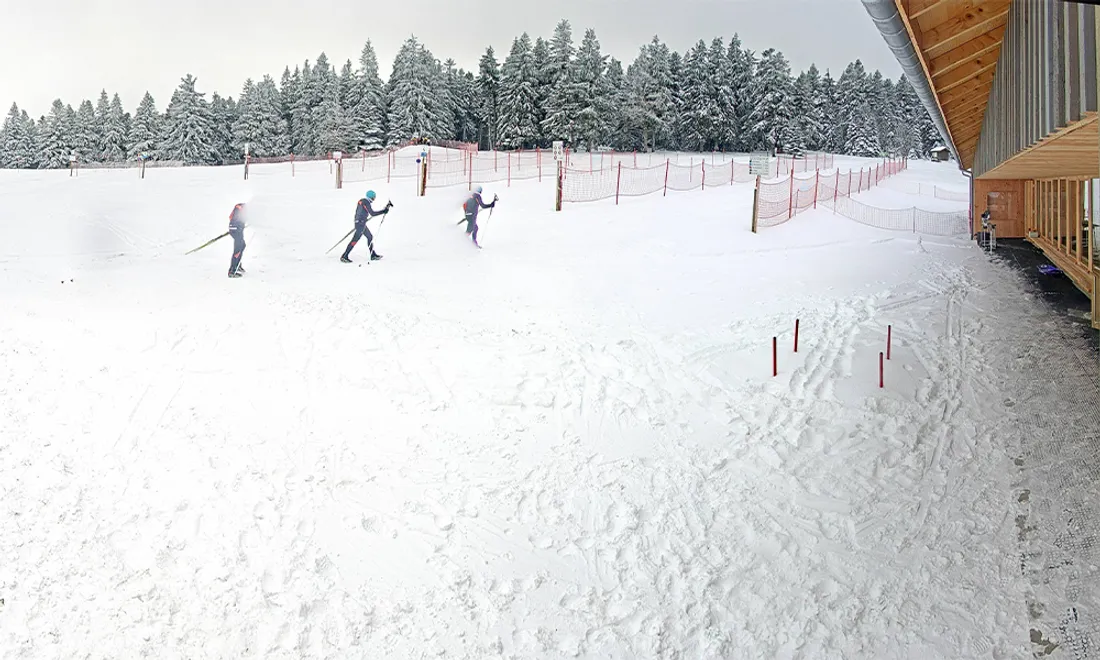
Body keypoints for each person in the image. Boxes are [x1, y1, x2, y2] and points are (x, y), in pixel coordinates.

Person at [341, 190, 389, 263]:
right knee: (355, 240)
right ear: (371, 197)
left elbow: (361, 212)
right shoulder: (366, 202)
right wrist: (383, 211)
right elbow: (372, 213)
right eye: (374, 197)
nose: (374, 199)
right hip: (360, 224)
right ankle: (344, 256)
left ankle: (373, 255)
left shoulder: (362, 201)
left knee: (370, 237)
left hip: (360, 223)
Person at [228, 202, 247, 278]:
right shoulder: (242, 208)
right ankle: (232, 271)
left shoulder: (241, 207)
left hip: (236, 229)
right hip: (236, 229)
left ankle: (237, 265)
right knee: (238, 249)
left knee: (242, 245)